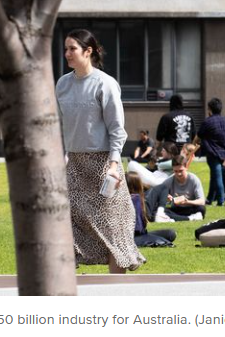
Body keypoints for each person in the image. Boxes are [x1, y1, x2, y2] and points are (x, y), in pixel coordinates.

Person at [56, 29, 144, 273]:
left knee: (114, 229)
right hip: (75, 165)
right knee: (68, 228)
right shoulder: (63, 84)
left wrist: (114, 166)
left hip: (104, 165)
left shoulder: (105, 84)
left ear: (88, 51)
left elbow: (117, 130)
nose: (67, 54)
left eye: (72, 49)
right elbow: (62, 126)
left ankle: (116, 289)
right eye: (65, 49)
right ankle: (65, 288)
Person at [197, 98, 225, 206]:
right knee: (214, 175)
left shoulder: (207, 121)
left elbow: (199, 135)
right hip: (224, 152)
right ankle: (209, 199)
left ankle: (221, 201)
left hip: (212, 152)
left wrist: (194, 145)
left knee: (217, 175)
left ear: (209, 109)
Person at [152, 153, 207, 222]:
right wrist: (168, 199)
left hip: (190, 207)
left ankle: (174, 218)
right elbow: (159, 197)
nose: (178, 174)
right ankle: (189, 218)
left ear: (186, 167)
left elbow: (202, 201)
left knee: (201, 208)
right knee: (157, 211)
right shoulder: (169, 180)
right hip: (176, 209)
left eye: (181, 171)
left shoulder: (193, 179)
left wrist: (187, 202)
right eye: (176, 171)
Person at [125, 174, 177, 246]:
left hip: (138, 235)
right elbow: (137, 229)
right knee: (162, 240)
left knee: (170, 233)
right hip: (132, 237)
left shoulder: (133, 198)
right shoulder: (135, 198)